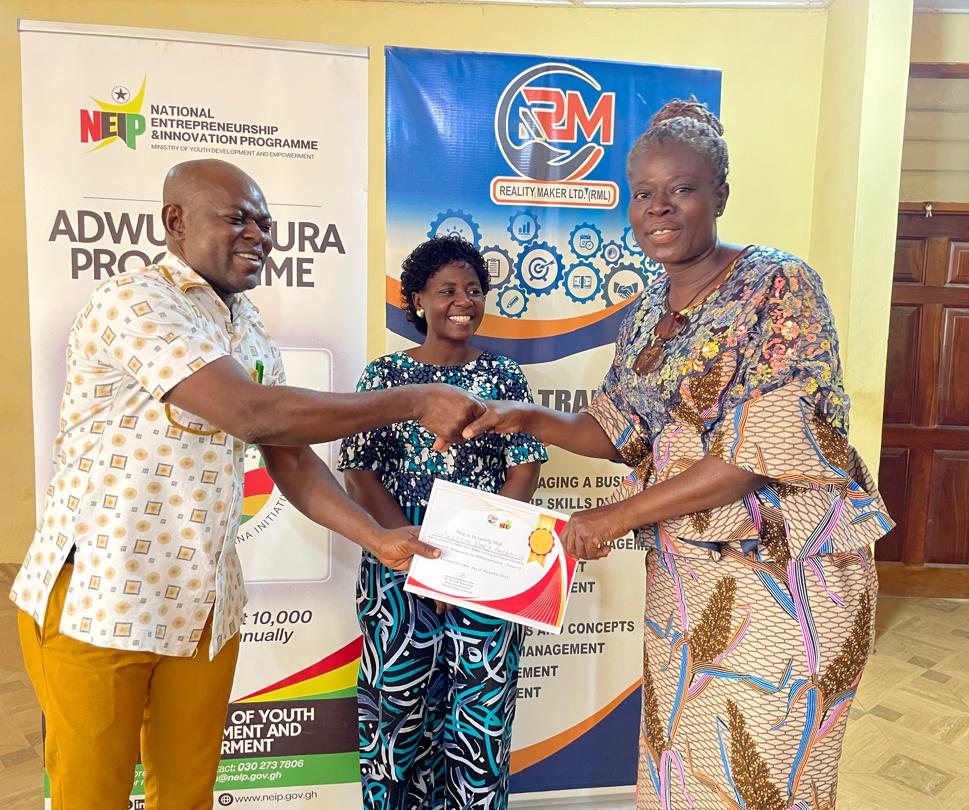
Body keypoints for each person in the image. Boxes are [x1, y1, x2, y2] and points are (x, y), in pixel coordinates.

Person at [10, 160, 486, 810]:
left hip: (203, 608)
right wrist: (412, 400)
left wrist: (376, 538)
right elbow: (250, 412)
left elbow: (290, 457)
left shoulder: (249, 325)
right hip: (100, 598)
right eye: (237, 219)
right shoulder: (135, 301)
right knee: (91, 796)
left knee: (188, 794)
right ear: (176, 222)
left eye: (264, 222)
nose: (258, 235)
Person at [464, 101, 894, 809]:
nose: (658, 208)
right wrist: (524, 418)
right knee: (683, 771)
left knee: (759, 777)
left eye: (681, 189)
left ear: (720, 195)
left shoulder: (779, 285)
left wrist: (612, 517)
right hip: (684, 575)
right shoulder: (645, 312)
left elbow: (757, 450)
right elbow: (616, 428)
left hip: (783, 574)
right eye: (643, 193)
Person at [338, 235, 546, 810]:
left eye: (474, 290)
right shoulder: (385, 376)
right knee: (396, 713)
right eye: (447, 290)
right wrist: (419, 557)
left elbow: (524, 469)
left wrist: (473, 557)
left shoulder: (504, 377)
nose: (463, 301)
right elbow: (360, 474)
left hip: (487, 564)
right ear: (418, 300)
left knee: (480, 715)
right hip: (397, 561)